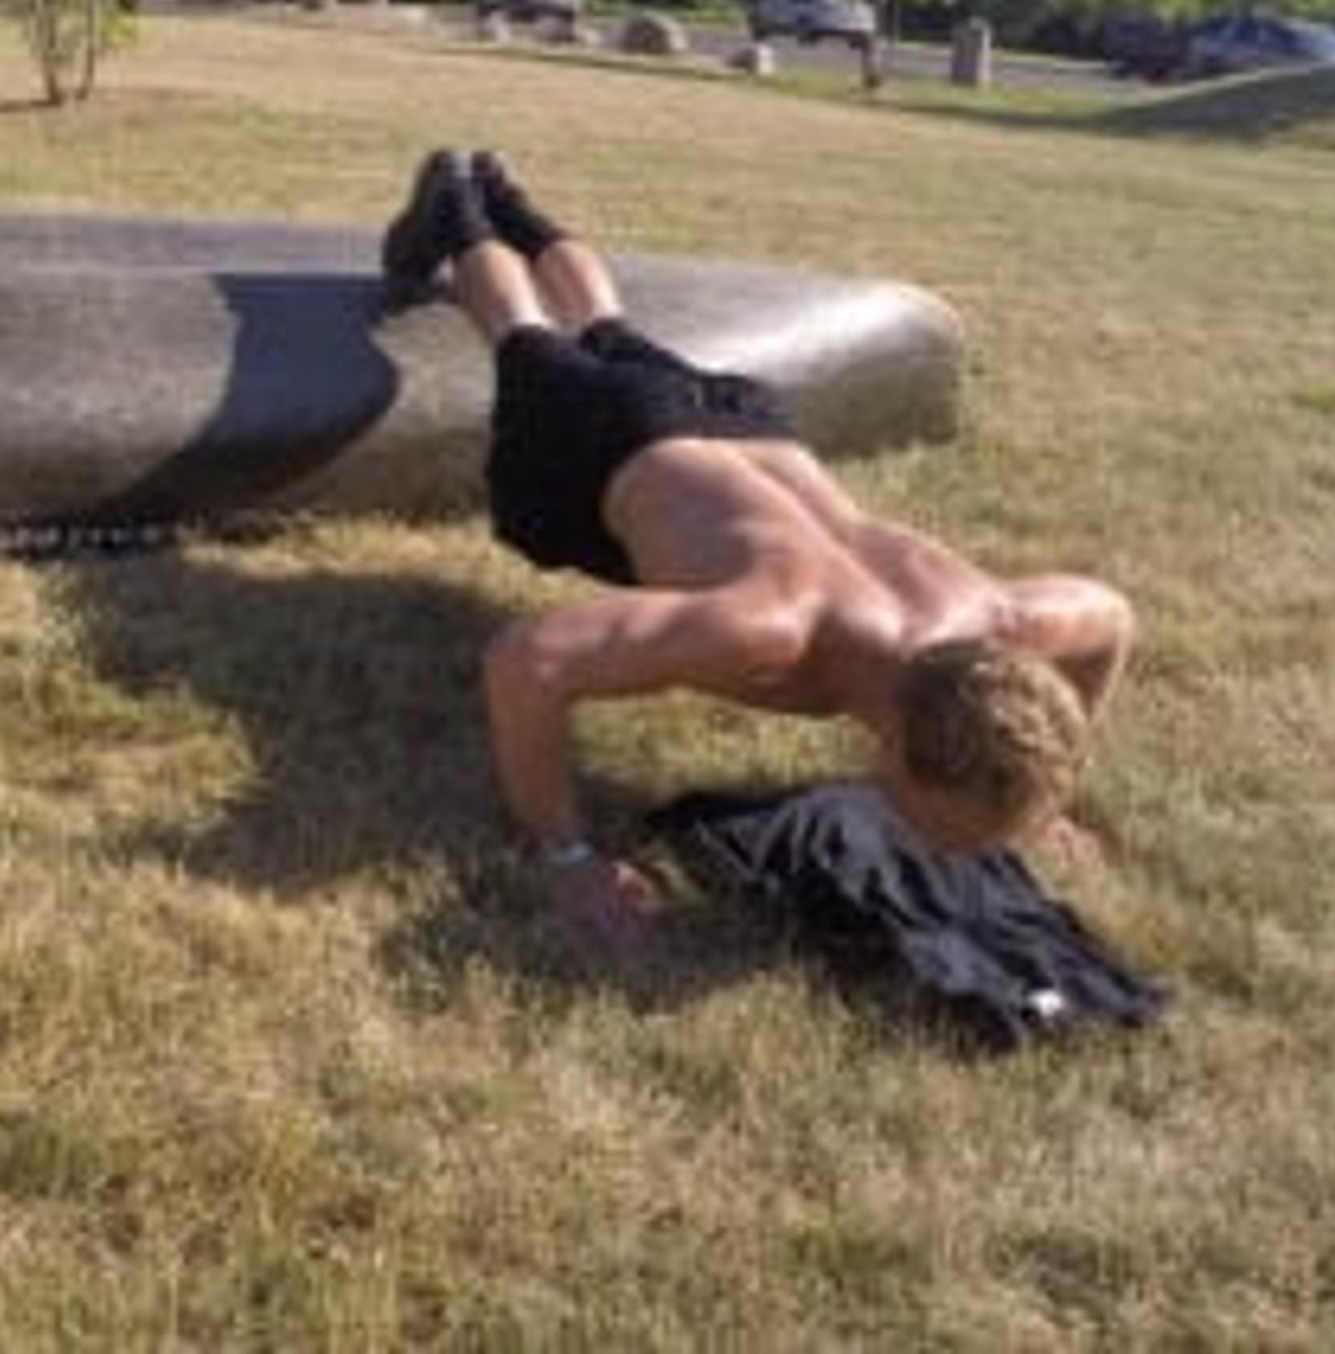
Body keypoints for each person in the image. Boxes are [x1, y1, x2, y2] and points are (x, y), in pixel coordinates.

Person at [378, 147, 1136, 955]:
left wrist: (1041, 808)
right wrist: (567, 857)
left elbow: (1114, 619)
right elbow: (526, 662)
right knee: (521, 329)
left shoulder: (1004, 619)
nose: (951, 856)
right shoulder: (773, 632)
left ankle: (508, 194)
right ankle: (460, 199)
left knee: (606, 328)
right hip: (612, 434)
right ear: (899, 760)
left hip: (743, 424)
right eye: (943, 835)